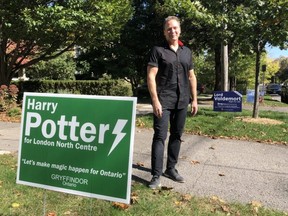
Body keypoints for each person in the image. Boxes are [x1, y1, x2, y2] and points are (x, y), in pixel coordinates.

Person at [147, 16, 198, 189]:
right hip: (163, 100)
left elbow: (191, 76)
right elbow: (151, 76)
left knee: (177, 135)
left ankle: (171, 168)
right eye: (169, 29)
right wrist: (155, 101)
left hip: (182, 101)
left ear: (180, 30)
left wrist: (195, 99)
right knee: (160, 137)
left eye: (175, 28)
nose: (172, 31)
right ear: (164, 32)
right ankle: (155, 175)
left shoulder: (187, 52)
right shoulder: (158, 50)